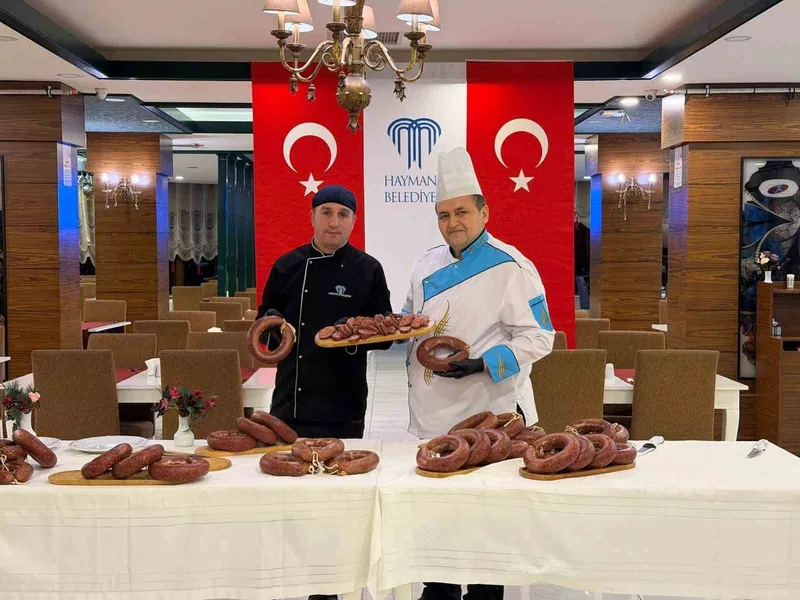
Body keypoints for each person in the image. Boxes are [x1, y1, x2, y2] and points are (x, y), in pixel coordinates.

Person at [403, 147, 555, 600]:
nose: (453, 222)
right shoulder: (425, 263)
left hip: (489, 411)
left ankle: (487, 593)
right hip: (431, 415)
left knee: (488, 519)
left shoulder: (512, 266)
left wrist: (483, 362)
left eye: (462, 212)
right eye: (444, 214)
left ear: (484, 212)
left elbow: (540, 337)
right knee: (438, 516)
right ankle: (440, 588)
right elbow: (411, 318)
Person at [257, 184, 392, 441]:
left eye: (343, 214)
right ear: (312, 216)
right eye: (326, 212)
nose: (334, 222)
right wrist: (271, 326)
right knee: (286, 465)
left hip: (345, 403)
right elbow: (262, 327)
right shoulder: (286, 266)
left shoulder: (369, 269)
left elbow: (386, 336)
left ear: (353, 221)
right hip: (291, 400)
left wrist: (352, 333)